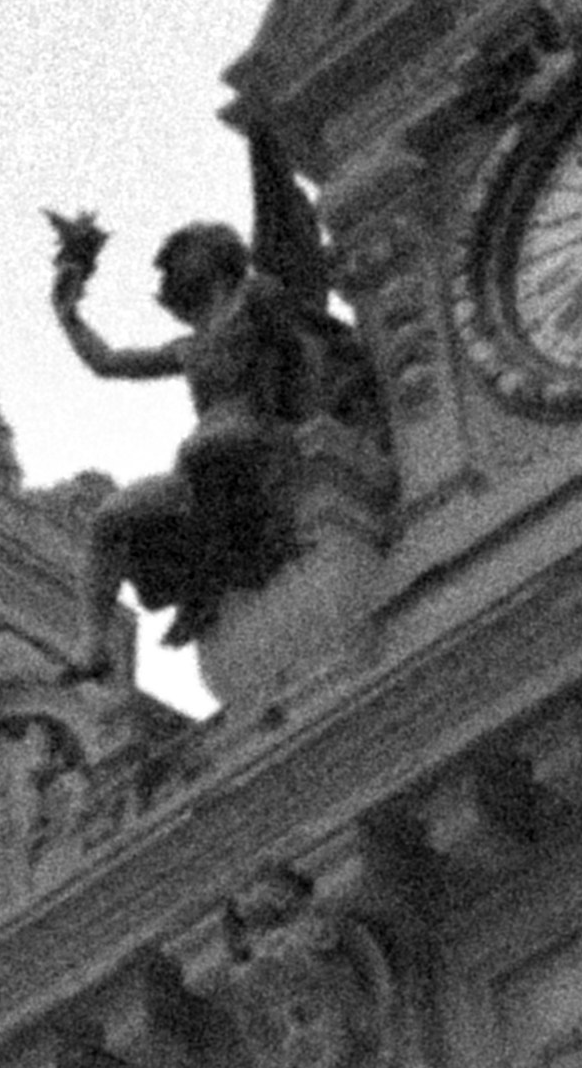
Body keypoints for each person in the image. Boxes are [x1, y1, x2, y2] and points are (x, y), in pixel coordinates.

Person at [49, 100, 377, 667]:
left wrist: (315, 419)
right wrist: (70, 315)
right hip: (201, 471)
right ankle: (94, 646)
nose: (168, 267)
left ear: (218, 256)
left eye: (179, 255)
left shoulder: (259, 299)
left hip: (258, 447)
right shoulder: (191, 345)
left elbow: (308, 342)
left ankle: (227, 560)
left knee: (209, 466)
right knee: (108, 521)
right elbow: (109, 363)